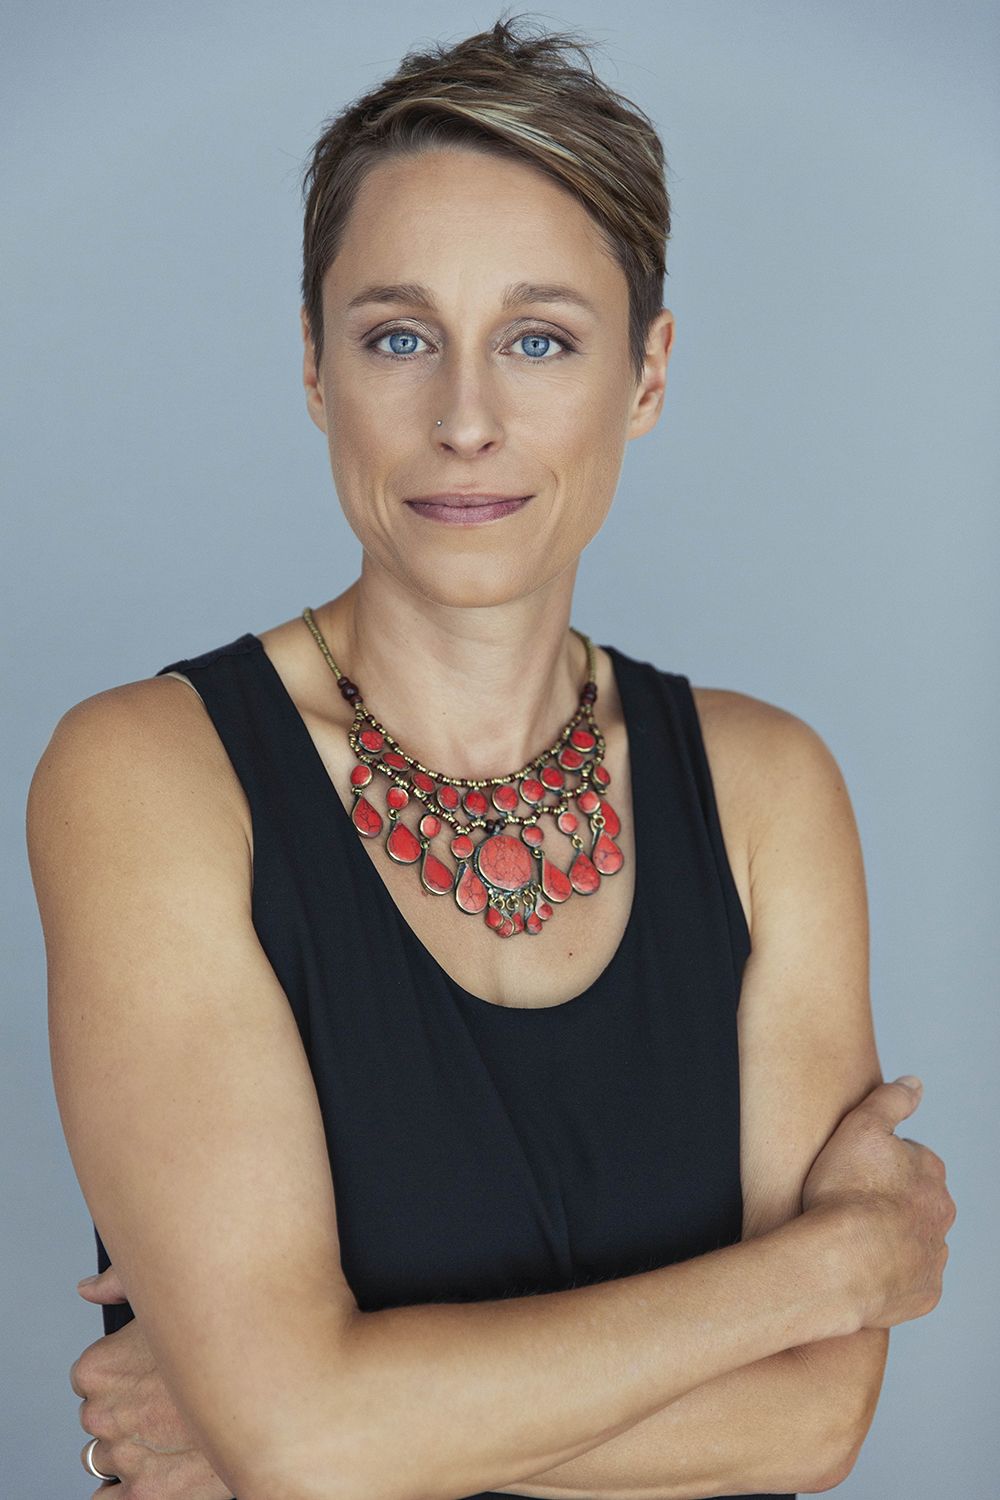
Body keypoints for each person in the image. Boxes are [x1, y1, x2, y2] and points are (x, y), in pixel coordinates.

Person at [28, 20, 954, 1500]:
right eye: (398, 336)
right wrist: (829, 1268)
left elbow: (814, 1424)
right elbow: (303, 1433)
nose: (466, 418)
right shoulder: (149, 776)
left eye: (540, 339)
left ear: (646, 375)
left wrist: (320, 1406)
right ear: (317, 371)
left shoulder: (771, 792)